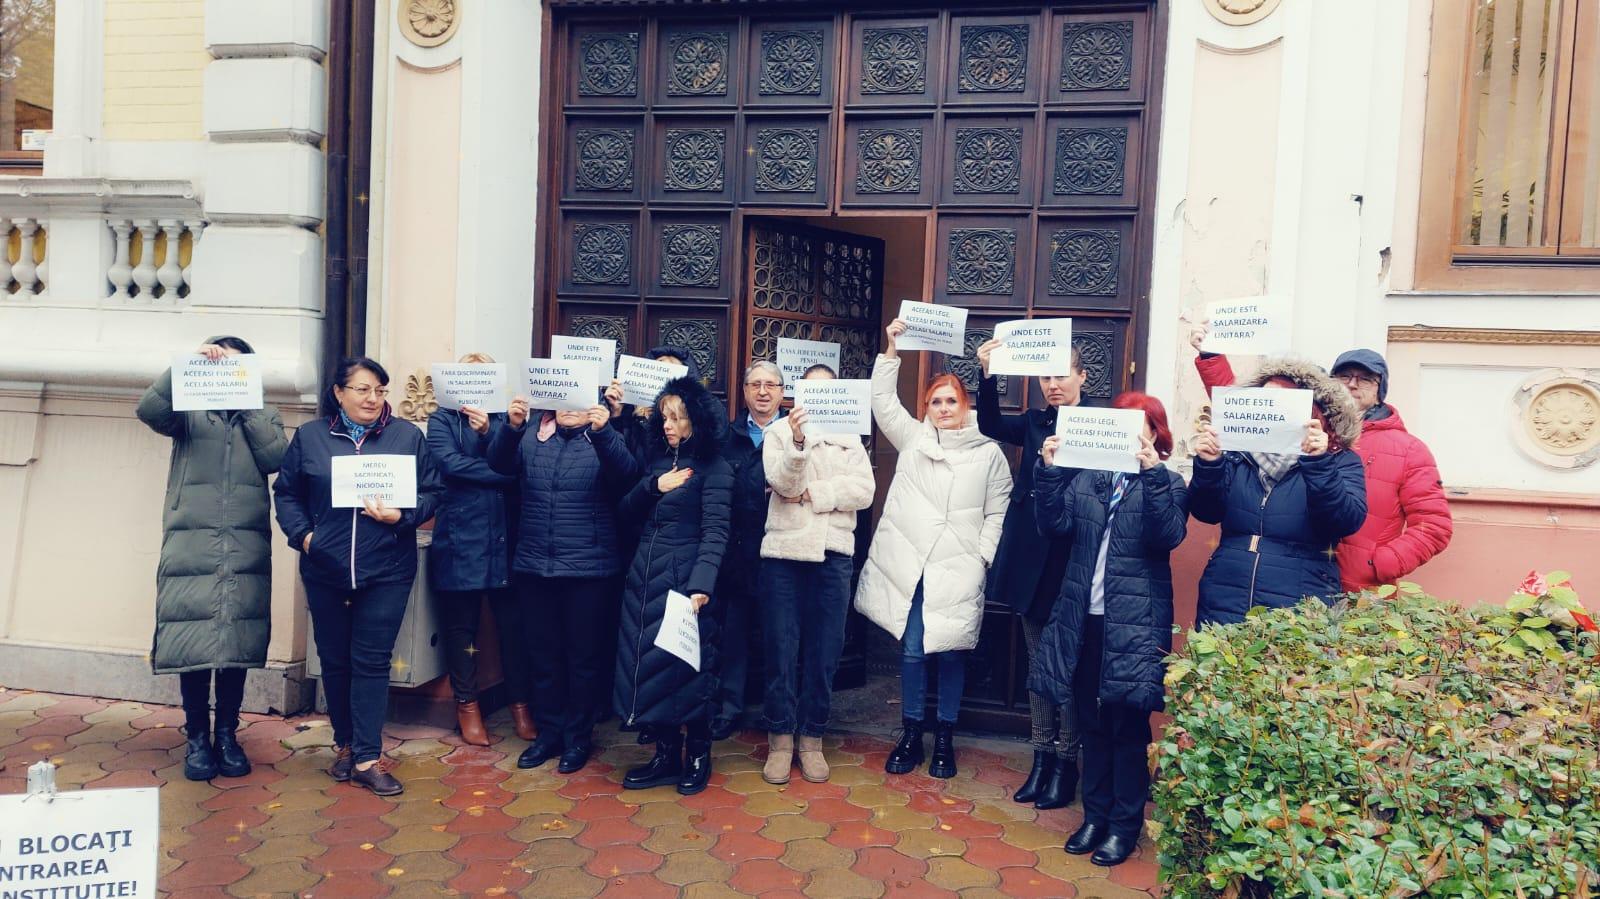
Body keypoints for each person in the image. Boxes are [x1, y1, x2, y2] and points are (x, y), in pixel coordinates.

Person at [273, 357, 444, 796]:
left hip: (386, 567)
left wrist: (402, 515)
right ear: (339, 393)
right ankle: (345, 745)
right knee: (334, 659)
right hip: (325, 567)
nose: (373, 399)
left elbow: (433, 492)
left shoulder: (406, 436)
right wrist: (305, 538)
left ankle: (368, 756)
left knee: (371, 660)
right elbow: (288, 492)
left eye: (380, 391)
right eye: (363, 390)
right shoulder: (311, 437)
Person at [1033, 392, 1188, 867]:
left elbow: (1168, 536)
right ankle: (1094, 817)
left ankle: (1125, 826)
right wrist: (1050, 471)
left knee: (1127, 726)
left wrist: (1152, 476)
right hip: (1085, 619)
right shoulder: (1088, 479)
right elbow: (1053, 525)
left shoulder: (1169, 482)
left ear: (1154, 433)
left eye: (1138, 425)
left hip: (1135, 623)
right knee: (1092, 723)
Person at [855, 319, 1012, 779]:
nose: (943, 409)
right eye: (935, 402)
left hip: (959, 567)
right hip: (914, 565)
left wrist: (981, 556)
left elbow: (998, 510)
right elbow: (883, 403)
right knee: (913, 651)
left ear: (965, 405)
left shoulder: (988, 451)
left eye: (951, 401)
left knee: (952, 650)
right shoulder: (915, 438)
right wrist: (891, 348)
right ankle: (911, 733)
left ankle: (945, 737)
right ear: (927, 407)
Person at [1186, 323, 1451, 591]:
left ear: (1380, 389)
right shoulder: (1296, 432)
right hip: (1299, 580)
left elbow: (1434, 526)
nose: (1353, 384)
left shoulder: (1408, 449)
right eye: (1344, 376)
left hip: (1358, 588)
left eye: (1366, 378)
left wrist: (1377, 564)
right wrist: (1212, 356)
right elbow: (1248, 410)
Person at [136, 338, 288, 782]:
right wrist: (184, 367)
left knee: (235, 641)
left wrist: (249, 405)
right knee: (196, 639)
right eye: (219, 361)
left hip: (245, 542)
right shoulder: (188, 410)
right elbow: (149, 411)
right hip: (192, 541)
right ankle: (197, 737)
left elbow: (276, 456)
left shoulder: (264, 413)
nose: (226, 368)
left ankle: (227, 734)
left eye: (237, 364)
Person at [487, 390, 639, 773]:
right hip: (536, 565)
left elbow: (627, 476)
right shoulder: (532, 436)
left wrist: (606, 432)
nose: (570, 409)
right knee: (543, 656)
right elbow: (498, 464)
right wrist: (511, 426)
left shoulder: (603, 437)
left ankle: (578, 738)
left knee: (584, 660)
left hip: (590, 568)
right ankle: (548, 734)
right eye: (563, 399)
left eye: (580, 400)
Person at [973, 335, 1089, 809]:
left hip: (1072, 560)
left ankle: (1066, 762)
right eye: (1046, 376)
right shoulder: (1035, 421)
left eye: (1062, 374)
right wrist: (987, 372)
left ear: (1083, 377)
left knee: (1068, 667)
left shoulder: (1102, 424)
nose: (1054, 384)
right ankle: (1040, 757)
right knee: (1039, 662)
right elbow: (990, 423)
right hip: (1028, 558)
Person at [614, 375, 734, 796]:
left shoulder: (714, 468)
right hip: (644, 580)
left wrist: (702, 584)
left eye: (678, 417)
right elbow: (626, 512)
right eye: (665, 416)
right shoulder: (656, 463)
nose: (668, 424)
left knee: (688, 671)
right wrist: (653, 486)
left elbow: (717, 531)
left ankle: (698, 755)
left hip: (686, 585)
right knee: (650, 670)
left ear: (696, 421)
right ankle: (665, 755)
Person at [758, 363, 877, 784]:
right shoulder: (777, 433)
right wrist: (797, 442)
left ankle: (811, 738)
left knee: (824, 652)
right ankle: (779, 740)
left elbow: (864, 491)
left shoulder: (852, 441)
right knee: (780, 649)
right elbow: (781, 483)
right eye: (812, 391)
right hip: (783, 554)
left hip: (834, 554)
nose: (819, 397)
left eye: (828, 390)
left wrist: (819, 493)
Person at [1189, 358, 1367, 625]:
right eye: (1265, 399)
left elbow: (1344, 521)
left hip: (1301, 600)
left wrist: (1318, 463)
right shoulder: (1237, 452)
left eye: (1280, 401)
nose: (1269, 410)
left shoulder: (1339, 459)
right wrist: (1209, 464)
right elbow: (1206, 511)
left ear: (1312, 412)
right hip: (1226, 593)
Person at [424, 353, 522, 748]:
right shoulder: (441, 419)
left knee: (513, 630)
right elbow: (450, 465)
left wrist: (487, 436)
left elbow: (516, 462)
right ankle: (467, 706)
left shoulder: (505, 420)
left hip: (504, 540)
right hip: (460, 540)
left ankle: (520, 705)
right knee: (460, 629)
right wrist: (501, 475)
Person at [710, 360, 786, 741]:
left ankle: (778, 714)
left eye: (770, 385)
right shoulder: (727, 435)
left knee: (778, 637)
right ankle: (729, 708)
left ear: (782, 392)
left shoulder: (795, 433)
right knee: (733, 636)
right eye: (755, 384)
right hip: (736, 552)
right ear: (743, 391)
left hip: (781, 553)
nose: (762, 392)